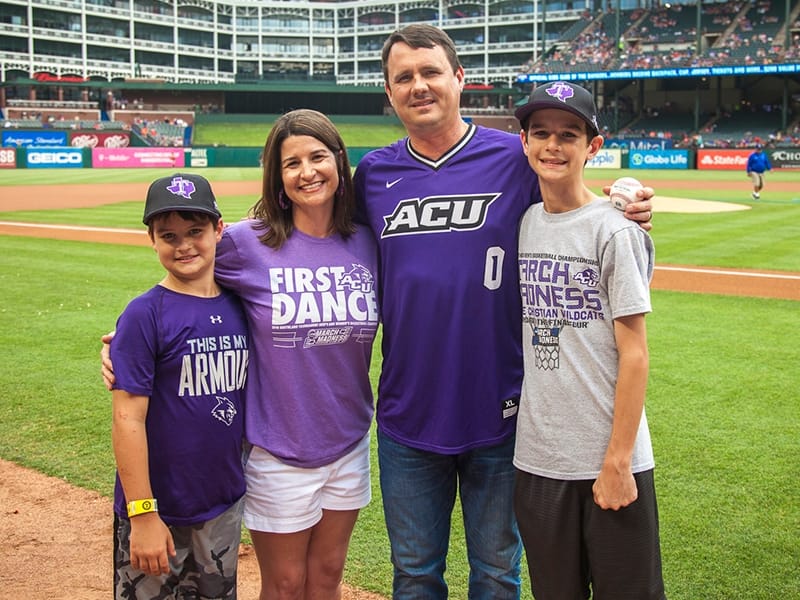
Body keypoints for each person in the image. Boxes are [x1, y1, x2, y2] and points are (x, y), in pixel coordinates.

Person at [353, 24, 654, 599]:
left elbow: (577, 200)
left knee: (497, 574)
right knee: (414, 575)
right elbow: (313, 236)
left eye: (431, 71)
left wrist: (627, 204)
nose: (419, 85)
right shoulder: (373, 175)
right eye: (404, 77)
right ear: (388, 92)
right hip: (407, 412)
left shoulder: (514, 158)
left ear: (459, 79)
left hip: (505, 412)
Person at [104, 109, 379, 600]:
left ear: (340, 161)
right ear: (277, 175)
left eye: (318, 156)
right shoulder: (248, 243)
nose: (307, 171)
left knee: (328, 575)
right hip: (278, 446)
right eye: (291, 162)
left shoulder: (367, 241)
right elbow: (184, 281)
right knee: (287, 581)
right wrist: (121, 344)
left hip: (349, 439)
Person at [512, 81, 665, 599]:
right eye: (541, 133)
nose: (552, 145)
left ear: (592, 147)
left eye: (568, 134)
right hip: (538, 458)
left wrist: (619, 462)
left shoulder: (615, 231)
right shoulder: (527, 222)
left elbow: (636, 354)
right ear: (525, 142)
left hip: (610, 459)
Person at [111, 173, 249, 599]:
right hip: (159, 508)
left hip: (222, 502)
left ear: (219, 229)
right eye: (168, 235)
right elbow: (127, 416)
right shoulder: (144, 314)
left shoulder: (243, 305)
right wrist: (143, 515)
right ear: (152, 239)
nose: (184, 244)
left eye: (195, 231)